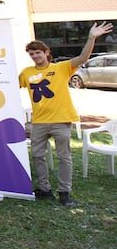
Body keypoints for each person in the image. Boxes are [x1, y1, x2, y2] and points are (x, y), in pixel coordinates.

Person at [20, 21, 113, 206]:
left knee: (64, 157)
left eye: (38, 52)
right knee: (37, 155)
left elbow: (83, 57)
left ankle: (64, 192)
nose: (35, 56)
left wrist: (91, 38)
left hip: (60, 120)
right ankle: (44, 189)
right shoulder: (26, 72)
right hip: (39, 121)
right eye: (31, 54)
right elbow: (9, 85)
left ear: (46, 53)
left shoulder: (61, 68)